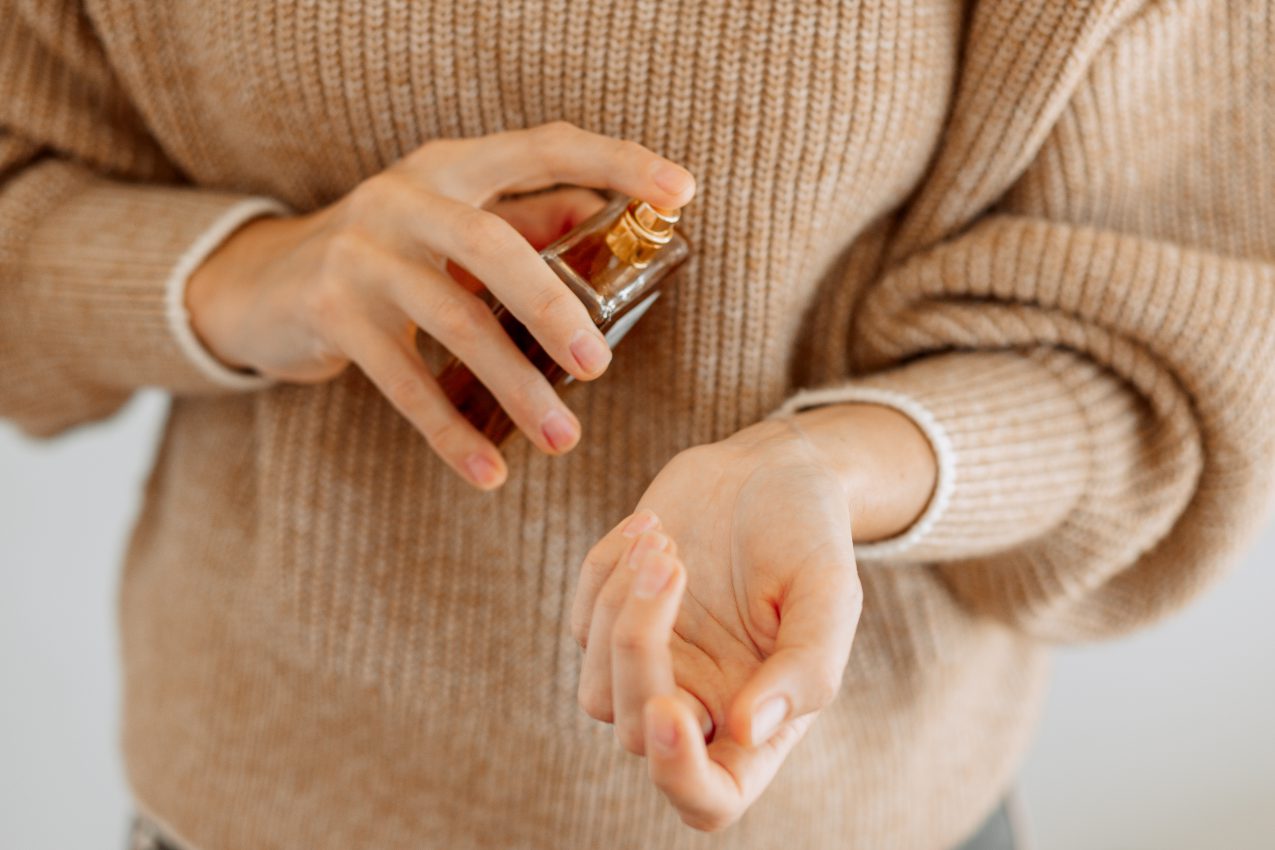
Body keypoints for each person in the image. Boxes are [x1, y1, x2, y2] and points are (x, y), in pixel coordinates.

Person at [2, 1, 1272, 849]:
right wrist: (261, 273)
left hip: (855, 815)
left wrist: (830, 464)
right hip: (251, 803)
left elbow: (1168, 344)